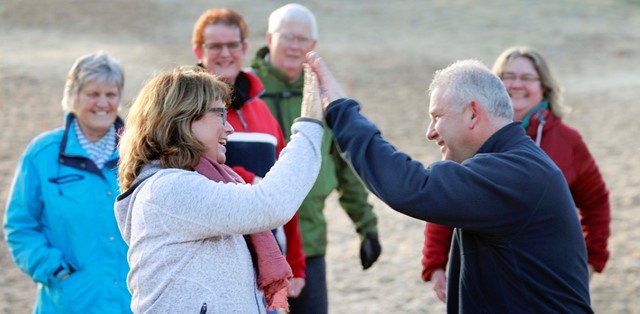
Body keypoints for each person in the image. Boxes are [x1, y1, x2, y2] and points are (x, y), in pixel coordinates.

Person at [308, 51, 593, 312]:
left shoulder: (515, 173)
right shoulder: (511, 162)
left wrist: (340, 111)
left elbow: (413, 188)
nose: (430, 133)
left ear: (472, 113)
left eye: (437, 117)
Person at [114, 65, 324, 313]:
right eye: (219, 115)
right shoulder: (167, 190)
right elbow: (270, 204)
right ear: (184, 119)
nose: (229, 128)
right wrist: (310, 125)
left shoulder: (194, 184)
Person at [421, 46, 611, 303]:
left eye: (527, 78)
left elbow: (596, 202)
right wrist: (435, 263)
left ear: (544, 87)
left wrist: (592, 260)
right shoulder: (471, 137)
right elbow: (445, 197)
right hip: (484, 271)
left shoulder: (568, 141)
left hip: (543, 279)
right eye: (507, 77)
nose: (516, 84)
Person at [251, 4, 381, 312]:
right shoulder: (246, 89)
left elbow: (346, 166)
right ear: (270, 38)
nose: (295, 46)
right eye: (288, 37)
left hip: (310, 243)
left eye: (303, 39)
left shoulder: (324, 95)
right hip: (257, 243)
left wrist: (366, 225)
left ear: (314, 46)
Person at [3, 51, 132, 313]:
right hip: (69, 301)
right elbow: (20, 226)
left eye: (110, 94)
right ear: (72, 97)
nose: (103, 103)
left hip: (131, 301)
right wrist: (54, 269)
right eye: (93, 94)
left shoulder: (140, 152)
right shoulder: (42, 154)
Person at [191, 8, 307, 298]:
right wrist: (251, 185)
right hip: (215, 260)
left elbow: (285, 189)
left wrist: (295, 262)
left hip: (268, 260)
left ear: (244, 48)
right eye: (215, 46)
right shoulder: (186, 113)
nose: (225, 53)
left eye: (232, 45)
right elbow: (183, 171)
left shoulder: (263, 112)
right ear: (198, 50)